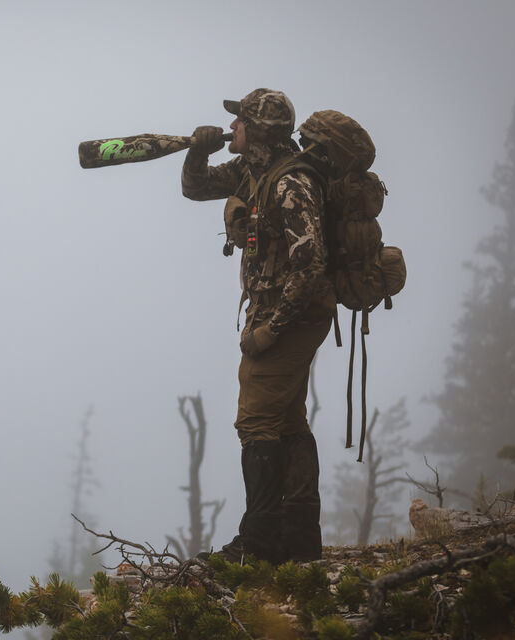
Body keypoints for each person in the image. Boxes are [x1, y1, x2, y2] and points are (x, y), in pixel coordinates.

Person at [181, 88, 336, 563]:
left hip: (293, 313)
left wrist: (271, 329)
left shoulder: (290, 183)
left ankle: (261, 541)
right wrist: (196, 150)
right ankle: (299, 536)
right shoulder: (254, 171)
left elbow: (310, 265)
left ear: (259, 131)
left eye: (238, 122)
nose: (231, 129)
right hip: (277, 309)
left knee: (256, 419)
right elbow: (196, 187)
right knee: (286, 418)